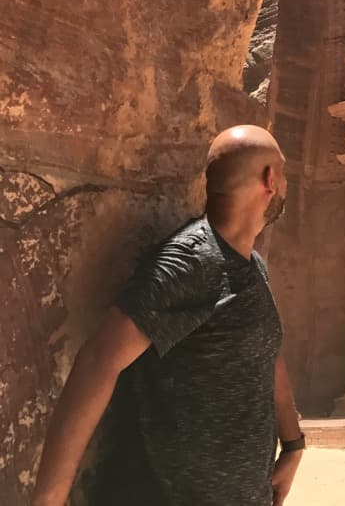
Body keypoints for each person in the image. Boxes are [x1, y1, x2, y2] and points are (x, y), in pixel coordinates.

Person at [32, 124, 304, 506]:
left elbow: (267, 353)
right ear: (270, 179)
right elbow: (97, 362)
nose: (287, 184)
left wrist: (293, 445)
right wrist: (47, 500)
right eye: (285, 173)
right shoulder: (190, 262)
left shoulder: (252, 265)